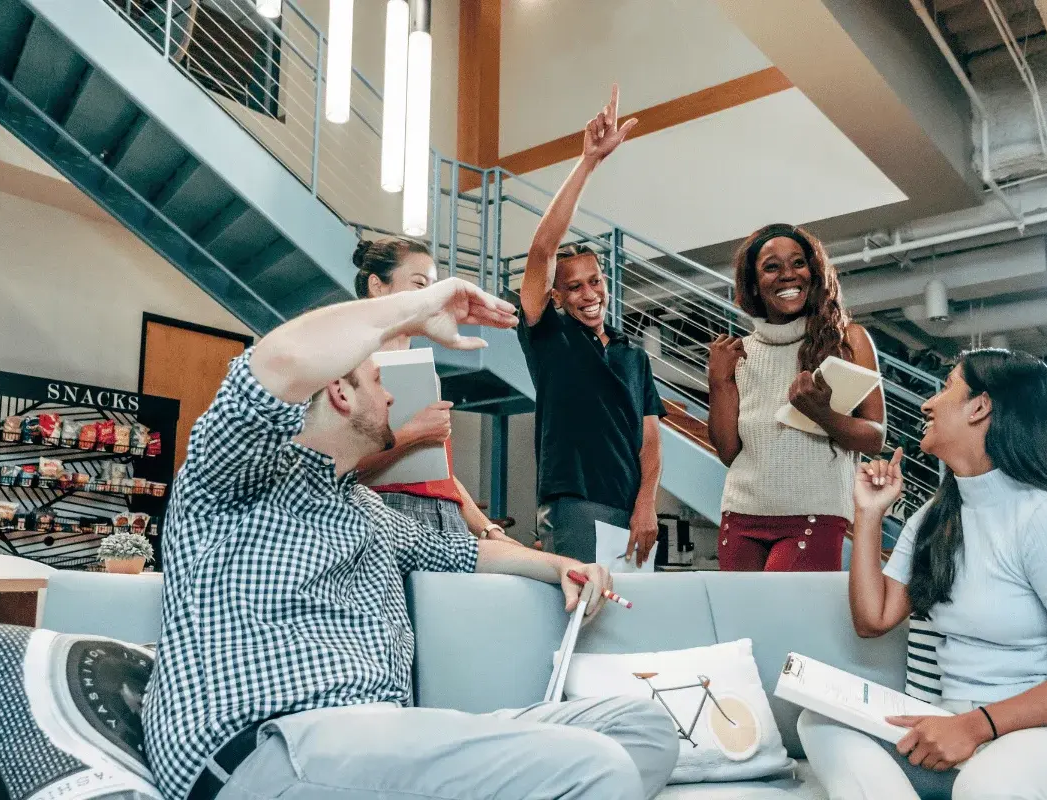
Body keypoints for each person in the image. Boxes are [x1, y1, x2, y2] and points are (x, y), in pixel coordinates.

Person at [141, 277, 679, 800]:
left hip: (384, 741)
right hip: (273, 744)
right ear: (339, 391)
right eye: (377, 380)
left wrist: (561, 565)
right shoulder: (233, 481)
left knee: (643, 731)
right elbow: (280, 359)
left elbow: (470, 551)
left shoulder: (366, 508)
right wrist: (420, 304)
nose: (391, 396)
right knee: (596, 767)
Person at [798, 348, 1047, 800]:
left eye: (946, 387)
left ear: (980, 406)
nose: (927, 404)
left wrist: (975, 725)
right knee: (820, 720)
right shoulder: (935, 516)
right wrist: (867, 515)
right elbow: (874, 619)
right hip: (965, 728)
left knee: (989, 783)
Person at [518, 84, 665, 567]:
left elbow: (650, 442)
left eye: (595, 281)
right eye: (574, 287)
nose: (589, 294)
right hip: (574, 503)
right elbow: (543, 249)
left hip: (633, 511)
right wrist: (589, 163)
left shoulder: (632, 354)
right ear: (557, 296)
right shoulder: (548, 335)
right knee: (584, 623)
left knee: (628, 631)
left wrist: (647, 506)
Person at [707, 223, 885, 572]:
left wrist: (823, 414)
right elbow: (730, 453)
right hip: (740, 514)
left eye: (798, 263)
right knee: (742, 627)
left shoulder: (850, 341)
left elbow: (876, 437)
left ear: (814, 272)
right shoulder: (738, 353)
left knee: (788, 625)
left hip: (814, 514)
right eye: (772, 267)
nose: (788, 275)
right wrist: (719, 383)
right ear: (754, 284)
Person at [351, 236, 519, 545]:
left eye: (433, 289)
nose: (430, 299)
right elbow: (342, 467)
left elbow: (439, 471)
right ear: (377, 285)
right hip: (389, 513)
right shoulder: (352, 366)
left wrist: (488, 529)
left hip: (448, 516)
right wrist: (413, 433)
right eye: (419, 285)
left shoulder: (423, 370)